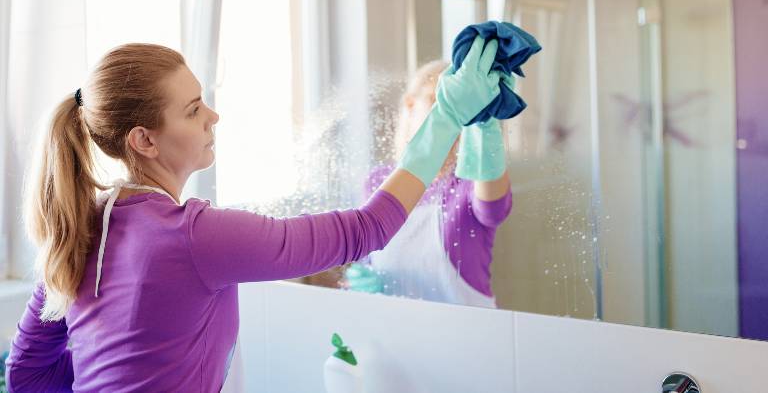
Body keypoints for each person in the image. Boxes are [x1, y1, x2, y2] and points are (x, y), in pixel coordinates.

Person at [5, 36, 503, 392]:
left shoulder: (82, 225)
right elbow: (366, 229)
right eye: (193, 109)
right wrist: (444, 119)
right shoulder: (195, 236)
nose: (213, 117)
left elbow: (27, 372)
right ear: (144, 140)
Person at [344, 60, 513, 308]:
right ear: (410, 105)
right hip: (395, 333)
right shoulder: (378, 181)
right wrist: (360, 281)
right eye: (437, 101)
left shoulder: (468, 180)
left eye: (459, 107)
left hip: (467, 336)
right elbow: (369, 257)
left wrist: (485, 124)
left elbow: (494, 209)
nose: (449, 116)